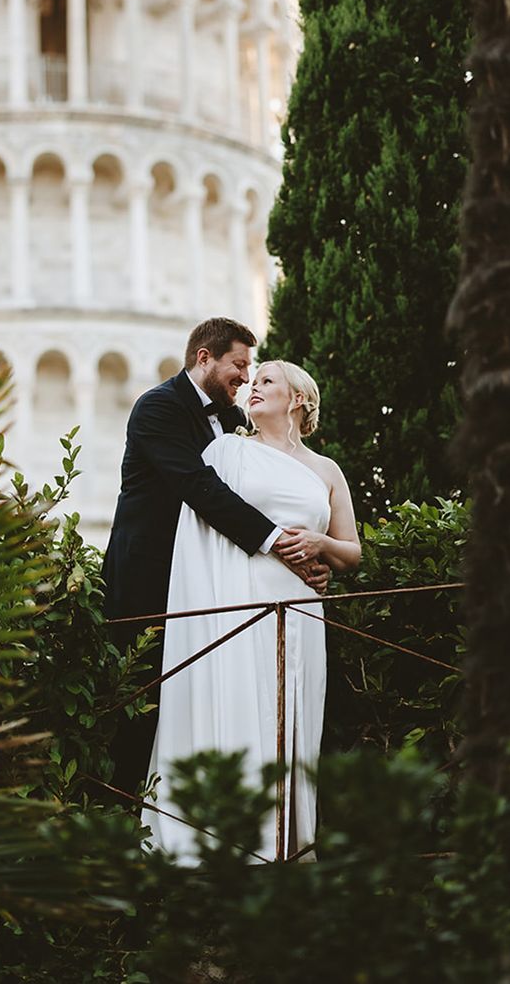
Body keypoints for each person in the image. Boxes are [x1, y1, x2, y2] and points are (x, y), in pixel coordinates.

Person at [143, 359, 361, 862]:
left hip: (301, 605)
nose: (251, 387)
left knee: (290, 715)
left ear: (299, 399)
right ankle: (230, 841)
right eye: (251, 380)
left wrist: (321, 541)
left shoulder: (326, 470)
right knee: (239, 699)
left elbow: (352, 551)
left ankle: (286, 841)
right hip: (237, 598)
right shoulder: (227, 452)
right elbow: (207, 526)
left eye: (266, 381)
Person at [102, 320, 329, 794]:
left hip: (215, 581)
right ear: (205, 358)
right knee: (147, 703)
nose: (246, 377)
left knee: (220, 700)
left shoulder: (230, 423)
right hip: (152, 578)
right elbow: (199, 488)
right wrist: (279, 544)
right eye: (240, 365)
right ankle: (132, 817)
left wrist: (310, 545)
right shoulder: (158, 407)